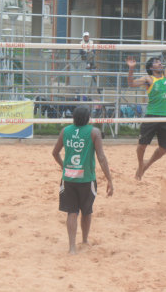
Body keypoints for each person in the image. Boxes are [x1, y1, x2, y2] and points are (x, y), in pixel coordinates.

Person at [52, 106, 113, 254]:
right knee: (86, 211)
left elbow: (55, 153)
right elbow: (101, 158)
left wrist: (64, 166)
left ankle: (72, 247)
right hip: (86, 179)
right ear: (88, 118)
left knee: (72, 212)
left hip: (69, 178)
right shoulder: (94, 132)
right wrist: (110, 180)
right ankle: (84, 240)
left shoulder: (65, 131)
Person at [126, 26, 166, 180]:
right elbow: (131, 83)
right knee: (141, 146)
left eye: (160, 62)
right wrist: (131, 69)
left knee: (164, 148)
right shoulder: (149, 79)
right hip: (152, 115)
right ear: (151, 67)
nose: (160, 64)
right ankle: (140, 164)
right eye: (157, 62)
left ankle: (146, 165)